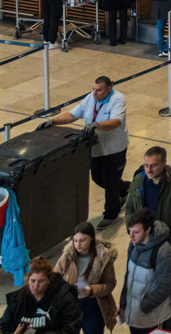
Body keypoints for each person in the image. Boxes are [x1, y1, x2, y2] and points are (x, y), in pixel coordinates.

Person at [51, 75, 130, 229]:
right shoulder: (90, 98)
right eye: (93, 89)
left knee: (110, 181)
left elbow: (115, 122)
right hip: (96, 149)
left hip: (114, 149)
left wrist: (96, 124)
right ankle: (124, 188)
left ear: (109, 88)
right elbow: (73, 114)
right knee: (97, 178)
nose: (95, 93)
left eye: (99, 90)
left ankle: (111, 213)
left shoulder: (118, 99)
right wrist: (53, 121)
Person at [123, 147, 171, 279]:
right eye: (146, 165)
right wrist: (133, 230)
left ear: (164, 163)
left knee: (165, 286)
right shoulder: (139, 180)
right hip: (141, 243)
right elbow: (129, 208)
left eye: (153, 165)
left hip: (167, 246)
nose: (148, 170)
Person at [54, 221, 118, 334]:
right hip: (71, 306)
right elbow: (55, 278)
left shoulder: (104, 257)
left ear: (92, 239)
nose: (78, 244)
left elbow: (110, 283)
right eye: (75, 240)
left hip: (93, 306)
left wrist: (92, 290)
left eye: (82, 240)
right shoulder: (67, 256)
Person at [118, 208, 171, 334]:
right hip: (134, 316)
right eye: (130, 231)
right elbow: (129, 275)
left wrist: (143, 307)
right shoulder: (133, 244)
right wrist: (123, 304)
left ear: (148, 230)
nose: (131, 236)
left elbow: (166, 286)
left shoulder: (163, 251)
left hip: (151, 319)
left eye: (136, 232)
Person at [0, 257, 83, 334]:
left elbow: (72, 328)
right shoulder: (18, 298)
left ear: (49, 280)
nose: (35, 286)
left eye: (41, 281)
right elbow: (3, 326)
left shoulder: (64, 298)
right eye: (33, 281)